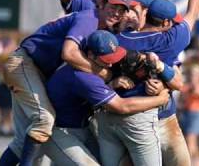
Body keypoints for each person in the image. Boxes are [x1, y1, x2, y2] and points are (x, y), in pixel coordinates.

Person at [54, 0, 199, 165]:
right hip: (139, 118)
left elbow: (177, 81)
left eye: (129, 9)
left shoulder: (115, 38)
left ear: (146, 13)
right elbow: (192, 13)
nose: (127, 14)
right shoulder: (170, 40)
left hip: (113, 118)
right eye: (125, 9)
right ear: (165, 23)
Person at [0, 0, 130, 166]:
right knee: (44, 120)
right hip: (24, 64)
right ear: (102, 4)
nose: (117, 13)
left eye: (122, 10)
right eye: (113, 7)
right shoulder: (90, 18)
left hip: (37, 70)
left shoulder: (102, 26)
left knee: (24, 140)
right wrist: (102, 73)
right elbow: (68, 53)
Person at [40, 30, 170, 166]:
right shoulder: (83, 77)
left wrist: (111, 85)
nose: (110, 64)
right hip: (58, 131)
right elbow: (122, 106)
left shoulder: (84, 64)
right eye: (106, 60)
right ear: (90, 55)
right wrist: (160, 100)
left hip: (81, 127)